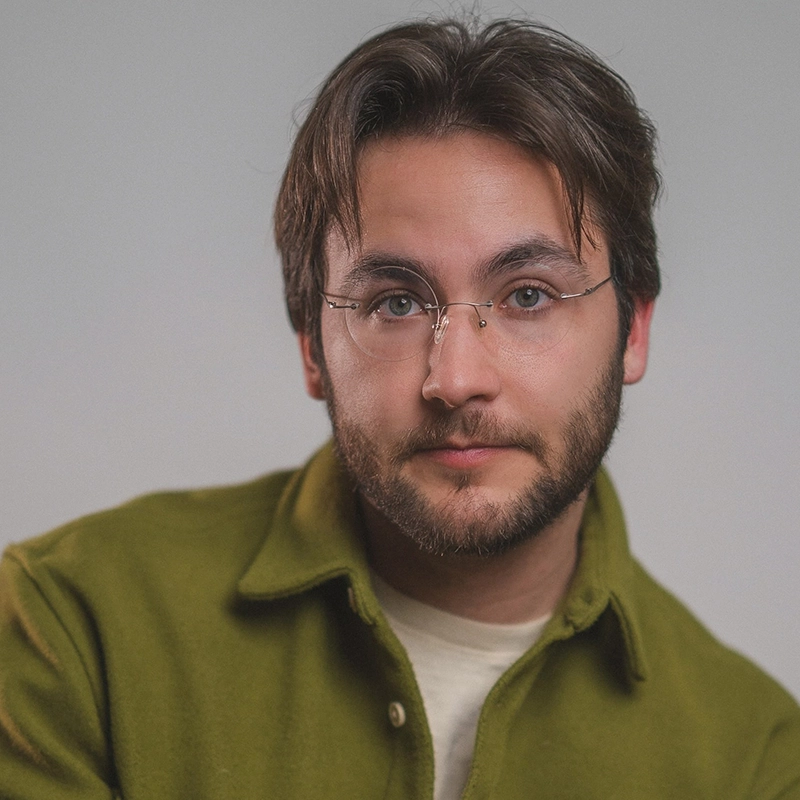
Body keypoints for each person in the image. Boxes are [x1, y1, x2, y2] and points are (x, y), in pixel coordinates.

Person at [1, 16, 798, 800]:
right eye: (394, 303)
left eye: (527, 295)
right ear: (312, 346)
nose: (454, 379)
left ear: (633, 330)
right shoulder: (72, 625)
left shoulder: (755, 761)